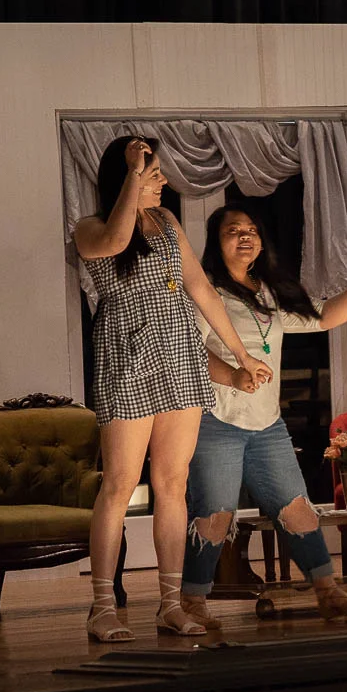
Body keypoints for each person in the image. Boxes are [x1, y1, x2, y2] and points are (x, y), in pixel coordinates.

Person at [73, 136, 272, 642]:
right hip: (128, 354)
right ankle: (102, 608)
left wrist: (241, 355)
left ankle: (170, 603)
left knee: (172, 482)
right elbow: (115, 241)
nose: (163, 180)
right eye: (153, 172)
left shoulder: (165, 222)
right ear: (126, 178)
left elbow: (201, 289)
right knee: (119, 483)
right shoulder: (89, 227)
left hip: (179, 352)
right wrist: (133, 174)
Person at [178, 205, 347, 627]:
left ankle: (327, 592)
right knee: (215, 514)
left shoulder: (267, 291)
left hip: (267, 425)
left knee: (297, 508)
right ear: (215, 241)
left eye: (251, 230)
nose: (245, 237)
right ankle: (192, 602)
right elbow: (190, 353)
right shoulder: (206, 291)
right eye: (233, 231)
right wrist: (234, 375)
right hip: (217, 420)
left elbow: (322, 317)